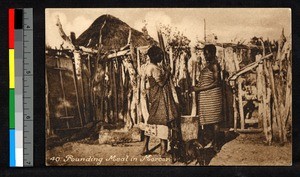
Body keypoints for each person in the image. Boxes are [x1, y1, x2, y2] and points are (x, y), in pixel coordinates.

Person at [141, 45, 178, 158]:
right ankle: (163, 150)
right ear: (155, 56)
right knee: (163, 121)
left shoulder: (149, 67)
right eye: (160, 55)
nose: (161, 56)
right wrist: (167, 72)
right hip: (160, 97)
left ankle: (145, 147)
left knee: (151, 121)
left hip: (155, 96)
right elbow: (161, 83)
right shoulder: (155, 69)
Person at [191, 44, 223, 152]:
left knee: (214, 121)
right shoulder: (208, 66)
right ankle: (210, 141)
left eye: (207, 53)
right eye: (204, 53)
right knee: (208, 121)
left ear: (213, 53)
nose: (205, 55)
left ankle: (217, 144)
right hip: (206, 98)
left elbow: (217, 82)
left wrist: (199, 89)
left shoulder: (215, 65)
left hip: (213, 97)